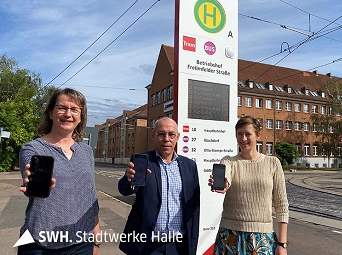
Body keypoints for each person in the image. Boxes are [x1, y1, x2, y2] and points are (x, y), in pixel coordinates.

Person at [18, 88, 100, 255]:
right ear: (50, 113)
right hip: (40, 243)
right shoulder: (32, 149)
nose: (68, 114)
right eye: (62, 108)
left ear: (81, 117)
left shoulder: (86, 151)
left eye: (74, 109)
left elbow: (90, 195)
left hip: (82, 242)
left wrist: (96, 235)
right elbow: (34, 190)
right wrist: (39, 189)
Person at [118, 117, 200, 255]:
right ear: (153, 135)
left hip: (178, 245)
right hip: (146, 245)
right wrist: (128, 179)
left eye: (171, 134)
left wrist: (192, 243)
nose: (166, 139)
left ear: (178, 137)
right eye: (161, 134)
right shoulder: (142, 161)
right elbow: (124, 190)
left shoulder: (189, 166)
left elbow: (194, 208)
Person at [209, 116, 289, 255]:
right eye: (240, 134)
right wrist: (223, 184)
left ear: (257, 135)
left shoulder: (273, 163)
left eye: (248, 134)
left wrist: (282, 244)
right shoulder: (229, 161)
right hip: (230, 236)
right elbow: (226, 175)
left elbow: (281, 204)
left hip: (261, 238)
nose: (243, 138)